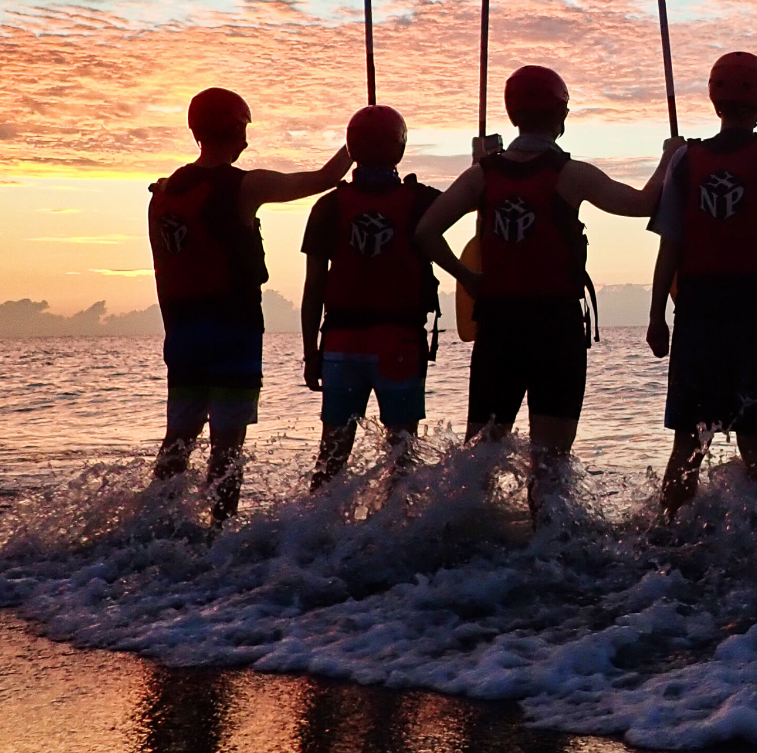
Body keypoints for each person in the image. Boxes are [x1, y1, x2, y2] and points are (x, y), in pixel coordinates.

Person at [416, 66, 681, 518]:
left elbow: (425, 232)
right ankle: (546, 547)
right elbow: (641, 204)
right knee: (551, 463)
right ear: (561, 114)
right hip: (554, 327)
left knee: (479, 455)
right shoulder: (571, 174)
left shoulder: (482, 175)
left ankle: (458, 539)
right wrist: (669, 158)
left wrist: (467, 276)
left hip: (498, 325)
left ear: (512, 113)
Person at [148, 88, 351, 523]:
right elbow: (323, 178)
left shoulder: (162, 194)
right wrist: (363, 136)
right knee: (227, 445)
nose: (247, 139)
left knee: (177, 440)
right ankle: (219, 533)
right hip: (233, 330)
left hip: (182, 333)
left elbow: (161, 272)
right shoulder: (245, 185)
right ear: (237, 128)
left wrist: (176, 332)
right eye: (245, 129)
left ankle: (150, 525)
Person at [646, 52, 757, 518]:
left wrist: (655, 315)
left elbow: (671, 245)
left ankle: (666, 531)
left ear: (714, 99)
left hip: (698, 309)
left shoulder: (685, 158)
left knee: (690, 439)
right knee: (755, 433)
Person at [301, 105, 441, 490]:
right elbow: (474, 201)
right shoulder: (421, 201)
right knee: (402, 456)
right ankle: (396, 535)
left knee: (332, 453)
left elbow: (314, 289)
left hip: (341, 344)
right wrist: (484, 164)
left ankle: (312, 532)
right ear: (399, 149)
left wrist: (311, 352)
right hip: (398, 343)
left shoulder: (328, 206)